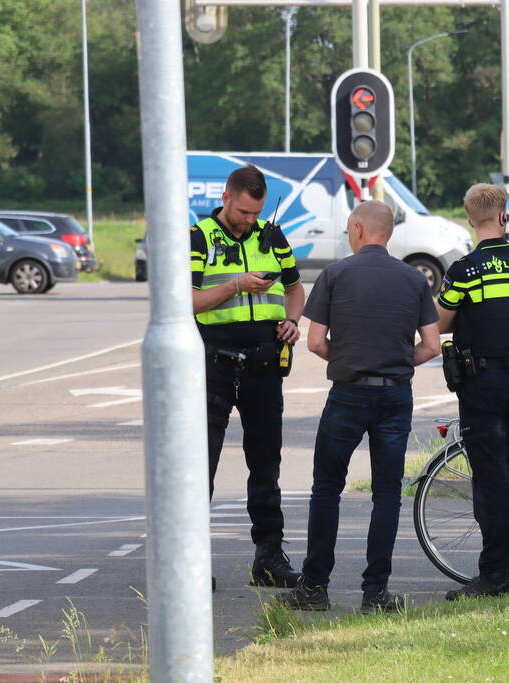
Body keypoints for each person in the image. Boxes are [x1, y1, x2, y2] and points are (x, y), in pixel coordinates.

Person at [281, 200, 440, 614]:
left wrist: (348, 358)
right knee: (387, 494)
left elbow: (315, 342)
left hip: (348, 394)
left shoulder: (335, 274)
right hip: (395, 396)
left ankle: (314, 587)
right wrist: (397, 361)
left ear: (357, 229)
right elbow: (431, 346)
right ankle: (375, 593)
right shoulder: (414, 278)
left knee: (326, 488)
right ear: (388, 233)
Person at [191, 164, 306, 589]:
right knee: (201, 464)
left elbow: (295, 288)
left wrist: (292, 321)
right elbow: (185, 300)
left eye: (256, 212)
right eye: (243, 212)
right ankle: (192, 563)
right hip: (214, 364)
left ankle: (269, 557)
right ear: (225, 198)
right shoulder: (199, 237)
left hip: (263, 365)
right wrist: (235, 285)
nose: (249, 220)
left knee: (266, 462)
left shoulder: (272, 237)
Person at [436, 184, 509, 600]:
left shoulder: (466, 270)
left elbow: (441, 321)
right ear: (503, 216)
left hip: (481, 386)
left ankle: (494, 576)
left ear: (469, 219)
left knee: (490, 481)